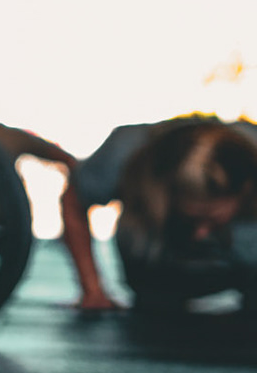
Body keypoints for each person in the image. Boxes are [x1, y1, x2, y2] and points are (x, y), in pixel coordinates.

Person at [58, 116, 257, 314]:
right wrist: (93, 290)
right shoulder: (125, 151)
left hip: (246, 271)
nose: (200, 234)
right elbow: (74, 199)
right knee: (156, 304)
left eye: (212, 219)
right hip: (155, 274)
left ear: (245, 189)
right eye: (189, 219)